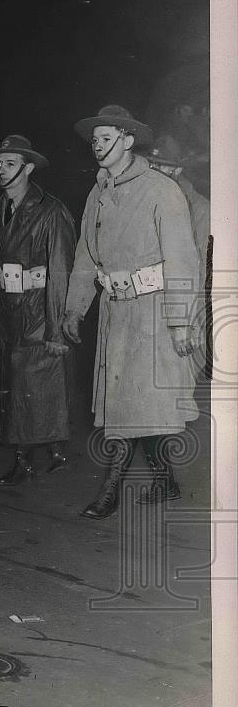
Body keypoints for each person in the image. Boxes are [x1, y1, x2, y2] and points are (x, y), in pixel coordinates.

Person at [62, 105, 201, 519]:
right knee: (130, 402)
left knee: (134, 404)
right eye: (95, 140)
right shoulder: (98, 193)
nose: (98, 146)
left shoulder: (161, 190)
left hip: (153, 313)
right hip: (114, 311)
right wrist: (74, 308)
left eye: (106, 138)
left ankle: (110, 489)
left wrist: (180, 321)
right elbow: (86, 256)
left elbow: (182, 259)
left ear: (127, 140)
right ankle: (166, 481)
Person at [0, 135, 77, 485]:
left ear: (28, 168)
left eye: (10, 164)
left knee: (32, 385)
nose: (1, 170)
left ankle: (26, 458)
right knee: (13, 387)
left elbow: (61, 271)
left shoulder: (51, 211)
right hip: (5, 312)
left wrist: (57, 329)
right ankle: (46, 449)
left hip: (37, 311)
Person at [145, 134, 213, 378]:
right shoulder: (150, 203)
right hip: (150, 316)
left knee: (177, 397)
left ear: (178, 169)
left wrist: (192, 321)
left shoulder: (200, 209)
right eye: (152, 165)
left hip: (184, 318)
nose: (154, 171)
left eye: (162, 165)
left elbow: (204, 271)